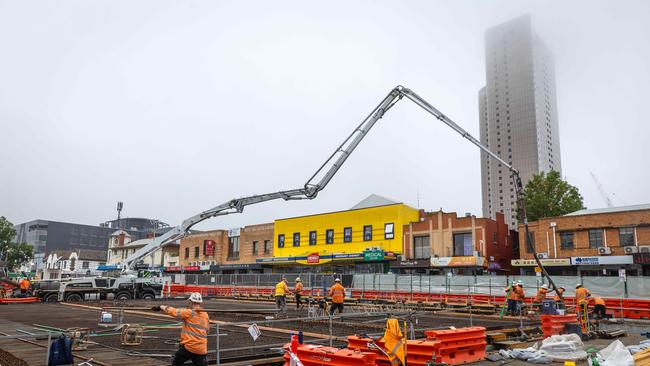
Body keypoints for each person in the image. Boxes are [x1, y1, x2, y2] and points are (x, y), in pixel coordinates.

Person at [152, 292, 209, 366]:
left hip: (189, 347)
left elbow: (174, 312)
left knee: (176, 363)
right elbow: (207, 330)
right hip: (201, 349)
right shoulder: (205, 315)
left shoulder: (190, 312)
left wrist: (161, 307)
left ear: (191, 302)